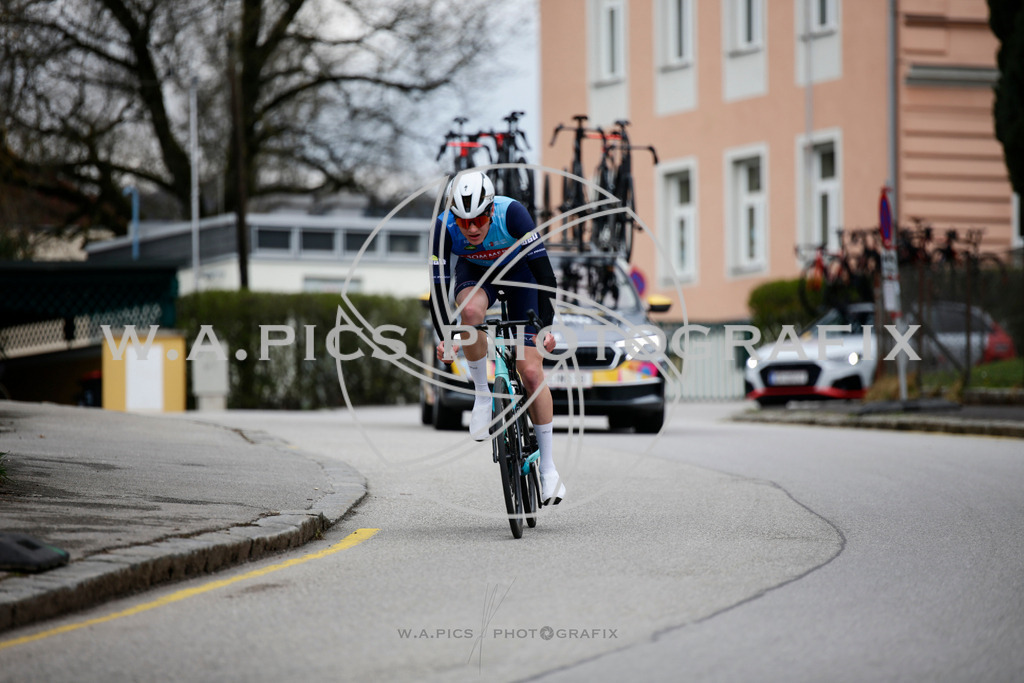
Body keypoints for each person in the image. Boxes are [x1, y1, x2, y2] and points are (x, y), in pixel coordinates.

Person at [428, 170, 565, 505]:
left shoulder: (512, 213)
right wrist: (446, 335)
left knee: (531, 372)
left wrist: (547, 326)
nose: (472, 229)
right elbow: (437, 287)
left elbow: (546, 276)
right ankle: (482, 395)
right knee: (471, 314)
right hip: (476, 274)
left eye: (479, 219)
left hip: (522, 277)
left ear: (491, 210)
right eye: (464, 222)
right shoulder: (443, 228)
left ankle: (548, 469)